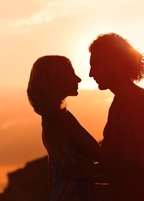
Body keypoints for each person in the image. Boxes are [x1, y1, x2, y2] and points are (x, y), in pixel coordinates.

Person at [88, 33, 144, 200]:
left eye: (95, 65)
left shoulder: (139, 100)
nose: (91, 73)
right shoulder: (120, 101)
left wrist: (88, 170)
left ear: (113, 62)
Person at [27, 55, 107, 201]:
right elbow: (100, 154)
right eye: (71, 74)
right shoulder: (62, 119)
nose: (78, 79)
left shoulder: (50, 120)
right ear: (56, 80)